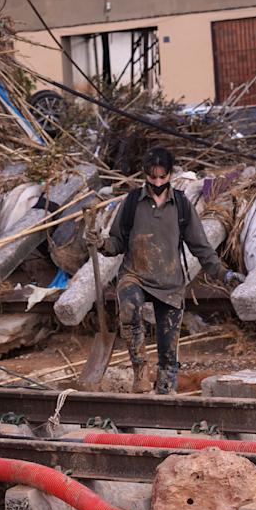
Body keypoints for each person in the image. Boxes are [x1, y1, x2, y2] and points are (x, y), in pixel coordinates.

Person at [88, 147, 244, 395]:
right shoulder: (131, 203)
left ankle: (165, 392)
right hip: (135, 275)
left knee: (168, 350)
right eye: (152, 177)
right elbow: (117, 242)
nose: (157, 183)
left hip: (170, 283)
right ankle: (139, 370)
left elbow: (201, 248)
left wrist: (223, 274)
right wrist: (101, 244)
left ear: (170, 174)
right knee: (129, 307)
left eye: (163, 177)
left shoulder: (181, 205)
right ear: (145, 174)